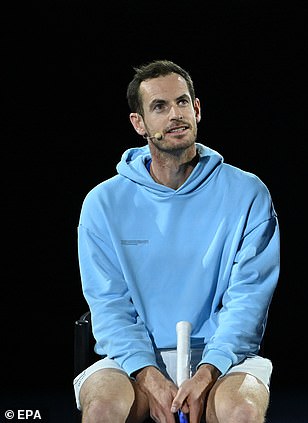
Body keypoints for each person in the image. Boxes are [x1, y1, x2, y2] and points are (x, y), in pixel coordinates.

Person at [72, 59, 280, 423]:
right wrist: (148, 375)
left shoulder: (248, 192)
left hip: (223, 359)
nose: (175, 115)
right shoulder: (103, 203)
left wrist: (207, 371)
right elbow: (109, 305)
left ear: (197, 109)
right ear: (139, 123)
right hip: (132, 363)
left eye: (183, 102)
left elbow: (248, 299)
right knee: (104, 408)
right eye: (159, 106)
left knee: (241, 411)